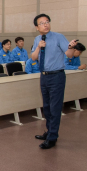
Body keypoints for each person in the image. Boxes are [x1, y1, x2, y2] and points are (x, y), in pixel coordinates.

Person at [32, 13, 78, 149]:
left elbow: (69, 54)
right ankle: (49, 131)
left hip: (57, 76)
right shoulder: (37, 39)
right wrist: (39, 47)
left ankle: (52, 137)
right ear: (36, 27)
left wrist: (70, 47)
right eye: (42, 23)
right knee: (46, 106)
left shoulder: (59, 37)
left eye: (47, 22)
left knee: (55, 107)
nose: (45, 24)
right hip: (44, 76)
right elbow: (34, 58)